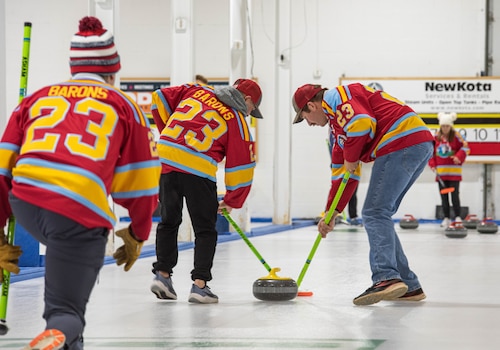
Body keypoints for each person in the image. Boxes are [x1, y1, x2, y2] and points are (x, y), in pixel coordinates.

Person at [0, 16, 161, 350]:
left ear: (73, 67)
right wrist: (138, 233)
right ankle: (56, 335)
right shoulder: (125, 105)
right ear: (113, 72)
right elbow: (142, 184)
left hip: (26, 200)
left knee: (68, 310)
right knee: (66, 311)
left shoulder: (37, 98)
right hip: (78, 209)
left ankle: (63, 339)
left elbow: (3, 168)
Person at [292, 83, 434, 306]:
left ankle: (386, 277)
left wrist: (351, 156)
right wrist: (332, 212)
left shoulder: (336, 97)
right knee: (380, 214)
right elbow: (342, 175)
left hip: (401, 140)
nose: (309, 124)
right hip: (416, 142)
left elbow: (363, 122)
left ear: (312, 105)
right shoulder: (337, 130)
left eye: (305, 117)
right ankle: (409, 286)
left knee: (374, 212)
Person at [150, 78, 263, 304]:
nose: (250, 113)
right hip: (198, 168)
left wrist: (170, 134)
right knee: (205, 229)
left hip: (166, 157)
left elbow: (159, 97)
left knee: (169, 220)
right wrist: (232, 199)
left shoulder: (198, 91)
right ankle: (199, 286)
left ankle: (162, 276)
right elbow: (242, 165)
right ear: (247, 100)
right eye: (252, 109)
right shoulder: (238, 120)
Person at [428, 112, 469, 227]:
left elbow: (466, 148)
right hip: (441, 174)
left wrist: (458, 157)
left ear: (451, 126)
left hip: (454, 174)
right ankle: (446, 218)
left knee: (455, 196)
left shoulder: (457, 136)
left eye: (447, 126)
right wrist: (432, 164)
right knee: (444, 197)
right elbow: (431, 153)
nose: (445, 128)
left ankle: (457, 217)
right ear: (440, 126)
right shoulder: (435, 137)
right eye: (443, 126)